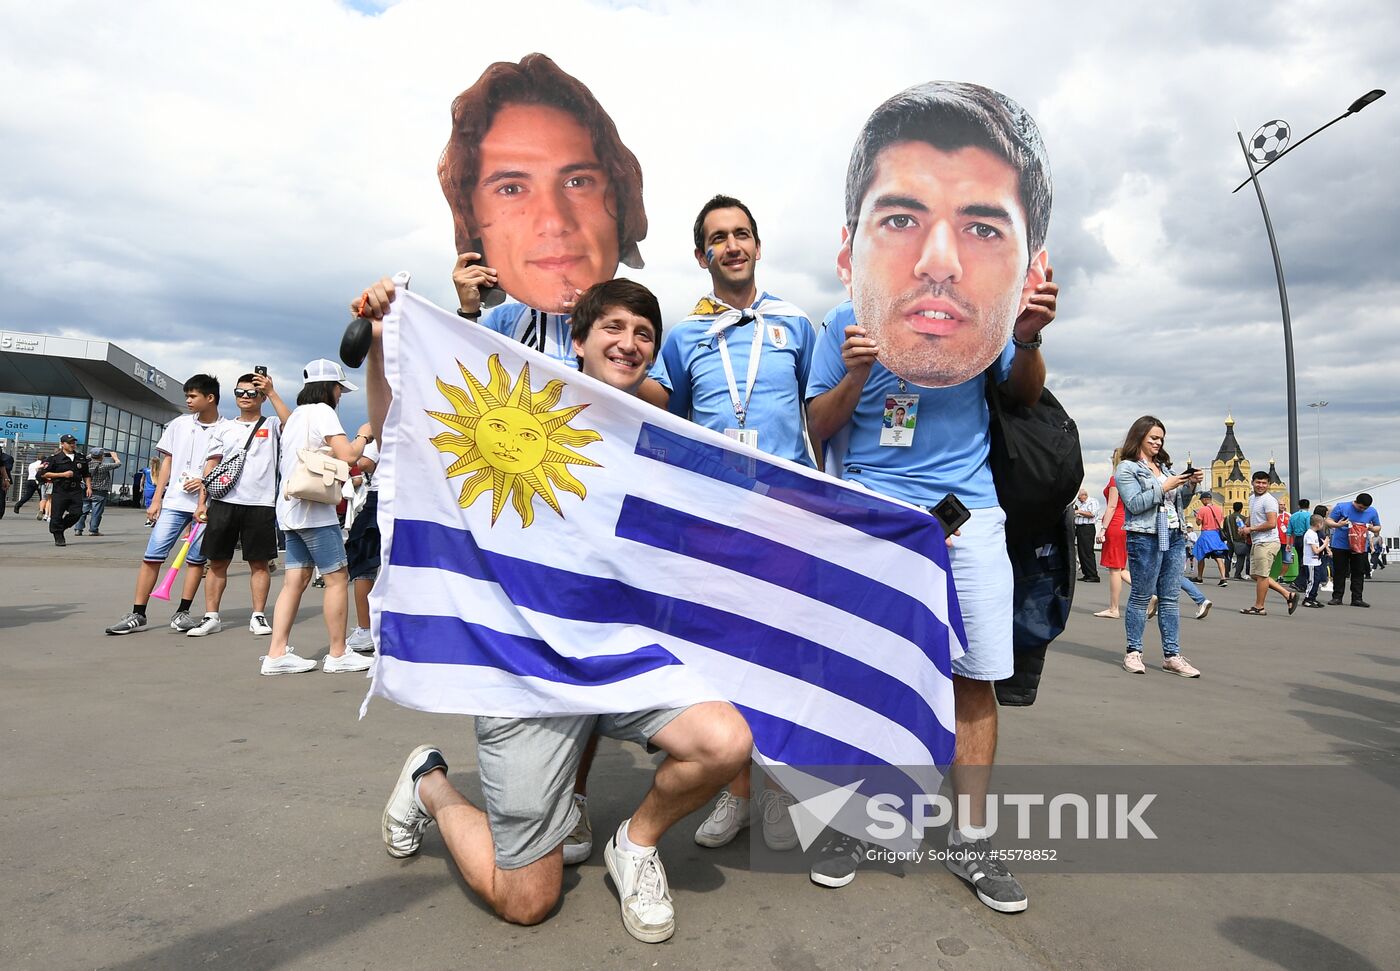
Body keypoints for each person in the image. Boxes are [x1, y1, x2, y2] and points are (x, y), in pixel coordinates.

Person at [379, 278, 753, 944]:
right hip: (525, 670)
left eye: (644, 333)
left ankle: (635, 845)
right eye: (613, 327)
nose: (629, 342)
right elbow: (405, 435)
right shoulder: (520, 416)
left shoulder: (662, 443)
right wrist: (386, 334)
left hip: (618, 661)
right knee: (526, 901)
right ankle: (429, 782)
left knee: (725, 741)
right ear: (577, 340)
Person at [805, 80, 1058, 907]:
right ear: (851, 247)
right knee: (866, 676)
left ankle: (971, 839)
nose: (937, 256)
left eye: (979, 225)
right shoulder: (837, 324)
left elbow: (1022, 397)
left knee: (972, 679)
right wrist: (855, 372)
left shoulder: (986, 316)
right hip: (873, 518)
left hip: (969, 518)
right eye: (902, 219)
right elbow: (816, 429)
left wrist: (1027, 339)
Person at [659, 193, 815, 849]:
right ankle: (738, 792)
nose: (732, 245)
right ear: (702, 256)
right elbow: (663, 414)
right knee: (726, 658)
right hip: (715, 521)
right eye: (718, 238)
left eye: (741, 233)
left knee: (786, 657)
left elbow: (819, 417)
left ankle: (780, 793)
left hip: (786, 517)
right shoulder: (683, 335)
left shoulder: (796, 325)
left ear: (756, 244)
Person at [260, 360, 374, 675]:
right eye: (339, 390)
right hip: (315, 512)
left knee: (294, 582)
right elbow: (349, 456)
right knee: (337, 578)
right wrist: (363, 435)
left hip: (290, 510)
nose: (340, 396)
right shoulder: (323, 412)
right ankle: (338, 653)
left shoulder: (297, 416)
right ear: (331, 388)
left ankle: (276, 653)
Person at [105, 376, 221, 634]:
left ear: (210, 398)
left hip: (206, 506)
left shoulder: (226, 429)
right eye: (187, 395)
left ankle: (182, 612)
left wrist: (204, 485)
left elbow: (220, 465)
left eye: (193, 396)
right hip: (174, 502)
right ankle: (138, 613)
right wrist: (157, 499)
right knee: (152, 556)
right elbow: (167, 462)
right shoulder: (179, 424)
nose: (188, 400)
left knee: (196, 561)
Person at [190, 373, 290, 638]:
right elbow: (211, 465)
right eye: (240, 392)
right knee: (217, 561)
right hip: (224, 501)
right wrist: (202, 502)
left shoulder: (272, 424)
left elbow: (291, 424)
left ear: (262, 397)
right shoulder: (224, 427)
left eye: (252, 392)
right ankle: (211, 616)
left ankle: (258, 615)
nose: (245, 397)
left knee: (259, 563)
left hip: (261, 503)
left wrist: (272, 391)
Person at [1114, 416, 1204, 677]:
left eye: (1161, 439)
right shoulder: (1127, 468)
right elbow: (1134, 504)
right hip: (1145, 536)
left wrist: (1190, 485)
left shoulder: (1164, 468)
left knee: (1170, 598)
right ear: (1139, 437)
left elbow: (1179, 502)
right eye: (1153, 438)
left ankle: (1172, 656)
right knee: (1141, 596)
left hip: (1174, 535)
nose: (1158, 443)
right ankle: (1133, 652)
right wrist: (1164, 487)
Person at [1238, 471, 1299, 616]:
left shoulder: (1269, 500)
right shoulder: (1252, 498)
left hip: (1267, 542)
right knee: (1255, 574)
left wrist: (1250, 529)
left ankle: (1259, 607)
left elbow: (1272, 523)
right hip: (1257, 542)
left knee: (1262, 576)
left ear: (1269, 485)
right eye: (1258, 482)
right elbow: (1253, 515)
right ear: (1252, 483)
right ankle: (1288, 595)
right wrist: (1245, 525)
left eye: (1264, 483)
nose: (1261, 485)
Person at [344, 437, 381, 655]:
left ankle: (366, 628)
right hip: (409, 500)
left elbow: (365, 463)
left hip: (380, 499)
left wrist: (363, 438)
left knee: (364, 565)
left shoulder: (384, 431)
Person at [1322, 493, 1382, 608]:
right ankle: (1337, 597)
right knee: (1339, 572)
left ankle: (1357, 599)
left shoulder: (1372, 511)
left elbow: (1378, 527)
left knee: (1358, 572)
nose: (1362, 510)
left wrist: (1371, 527)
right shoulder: (1341, 507)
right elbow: (1328, 521)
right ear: (1355, 502)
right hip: (1341, 545)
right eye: (1360, 507)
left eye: (1365, 508)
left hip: (1360, 546)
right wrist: (1338, 524)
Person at [1094, 463, 1132, 619]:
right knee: (1119, 566)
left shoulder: (1116, 479)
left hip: (1115, 523)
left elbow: (1111, 506)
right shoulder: (1132, 478)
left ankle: (1113, 608)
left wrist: (1103, 529)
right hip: (1127, 522)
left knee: (1114, 568)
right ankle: (1149, 595)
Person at [39, 434, 91, 546]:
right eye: (69, 443)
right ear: (62, 444)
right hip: (60, 489)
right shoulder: (54, 458)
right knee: (57, 514)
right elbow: (43, 474)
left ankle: (60, 528)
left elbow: (86, 474)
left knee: (77, 513)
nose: (72, 445)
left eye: (74, 442)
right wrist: (62, 474)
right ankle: (58, 536)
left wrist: (89, 487)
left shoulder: (81, 458)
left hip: (75, 489)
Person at [75, 449, 120, 536]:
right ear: (102, 456)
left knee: (83, 510)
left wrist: (94, 455)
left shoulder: (86, 464)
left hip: (86, 490)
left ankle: (78, 529)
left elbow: (88, 457)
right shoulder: (103, 466)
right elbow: (118, 464)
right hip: (100, 491)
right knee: (96, 512)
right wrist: (115, 457)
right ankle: (93, 530)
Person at [1191, 492, 1229, 586]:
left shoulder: (1202, 509)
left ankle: (1199, 577)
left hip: (1206, 535)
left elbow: (1199, 523)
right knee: (1219, 557)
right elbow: (1221, 520)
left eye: (1201, 500)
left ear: (1204, 499)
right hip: (1216, 535)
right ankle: (1223, 578)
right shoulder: (1218, 509)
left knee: (1201, 556)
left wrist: (1197, 517)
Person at [1073, 488, 1101, 582]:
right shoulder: (1082, 505)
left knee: (1087, 551)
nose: (1079, 499)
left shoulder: (1092, 501)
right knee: (1081, 552)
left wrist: (1078, 512)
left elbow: (1092, 514)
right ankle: (1086, 573)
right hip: (1080, 528)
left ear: (1084, 495)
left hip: (1087, 528)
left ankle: (1093, 575)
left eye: (1079, 497)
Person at [1300, 513, 1328, 607]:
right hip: (1310, 562)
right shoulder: (1310, 534)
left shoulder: (1315, 534)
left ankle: (1313, 598)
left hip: (1316, 562)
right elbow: (1315, 550)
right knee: (1311, 581)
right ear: (1318, 524)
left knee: (1317, 580)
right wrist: (1325, 544)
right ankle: (1308, 599)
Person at [1224, 500, 1248, 580]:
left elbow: (1225, 529)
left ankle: (1226, 573)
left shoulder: (1227, 518)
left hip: (1229, 540)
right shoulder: (1244, 518)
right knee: (1240, 557)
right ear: (1241, 509)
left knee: (1228, 557)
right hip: (1240, 541)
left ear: (1233, 508)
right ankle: (1237, 574)